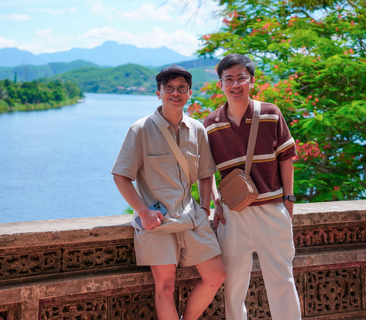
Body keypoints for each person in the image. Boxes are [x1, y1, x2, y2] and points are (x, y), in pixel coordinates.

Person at [111, 64, 226, 320]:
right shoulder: (140, 129)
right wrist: (143, 212)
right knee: (165, 286)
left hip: (192, 218)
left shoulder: (197, 129)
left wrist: (205, 207)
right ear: (158, 92)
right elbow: (121, 175)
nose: (176, 93)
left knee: (216, 275)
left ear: (189, 93)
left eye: (182, 88)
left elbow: (206, 173)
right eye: (170, 88)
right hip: (158, 222)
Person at [203, 54, 301, 320]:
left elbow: (285, 158)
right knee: (234, 285)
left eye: (241, 78)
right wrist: (216, 202)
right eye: (229, 79)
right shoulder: (210, 125)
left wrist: (288, 200)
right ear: (220, 84)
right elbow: (207, 171)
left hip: (271, 208)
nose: (236, 84)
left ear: (252, 81)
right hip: (233, 215)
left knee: (282, 278)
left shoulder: (270, 113)